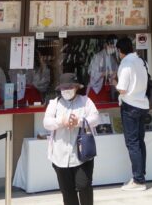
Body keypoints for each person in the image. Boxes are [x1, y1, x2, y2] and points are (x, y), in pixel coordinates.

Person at [43, 73, 100, 205]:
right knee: (67, 191)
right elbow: (46, 122)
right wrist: (61, 121)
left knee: (84, 185)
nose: (67, 91)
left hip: (82, 154)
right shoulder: (54, 103)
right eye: (64, 88)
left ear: (76, 87)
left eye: (70, 87)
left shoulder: (85, 101)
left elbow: (96, 118)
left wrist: (79, 121)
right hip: (60, 155)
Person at [115, 36, 149, 191]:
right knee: (140, 142)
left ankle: (138, 180)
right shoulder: (141, 61)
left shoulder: (126, 64)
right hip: (143, 104)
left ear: (120, 51)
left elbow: (122, 89)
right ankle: (140, 175)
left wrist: (114, 83)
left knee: (132, 143)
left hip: (130, 106)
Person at [86, 35, 119, 103]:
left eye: (114, 47)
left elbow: (116, 70)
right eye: (111, 46)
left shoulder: (113, 57)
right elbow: (92, 73)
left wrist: (115, 74)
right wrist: (106, 73)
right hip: (96, 89)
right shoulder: (98, 56)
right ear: (106, 45)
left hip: (108, 88)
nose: (113, 48)